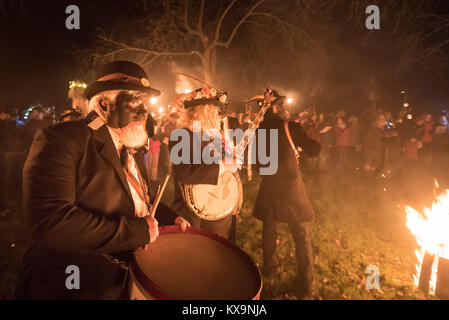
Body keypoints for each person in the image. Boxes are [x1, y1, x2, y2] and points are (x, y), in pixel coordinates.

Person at [15, 61, 189, 300]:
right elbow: (50, 221)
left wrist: (169, 218)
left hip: (121, 282)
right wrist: (135, 232)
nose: (142, 113)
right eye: (134, 103)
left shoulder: (131, 144)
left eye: (144, 104)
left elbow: (136, 198)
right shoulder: (61, 139)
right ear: (103, 104)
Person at [252, 89, 320, 299]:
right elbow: (315, 150)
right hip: (290, 186)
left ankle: (271, 269)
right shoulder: (291, 127)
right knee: (299, 232)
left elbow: (256, 165)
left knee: (269, 227)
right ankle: (306, 281)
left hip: (271, 184)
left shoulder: (259, 131)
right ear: (276, 108)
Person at [169, 87, 238, 239]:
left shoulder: (213, 136)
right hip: (193, 217)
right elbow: (185, 173)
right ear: (202, 112)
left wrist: (231, 161)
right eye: (214, 111)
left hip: (218, 211)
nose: (218, 116)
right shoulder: (181, 136)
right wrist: (223, 166)